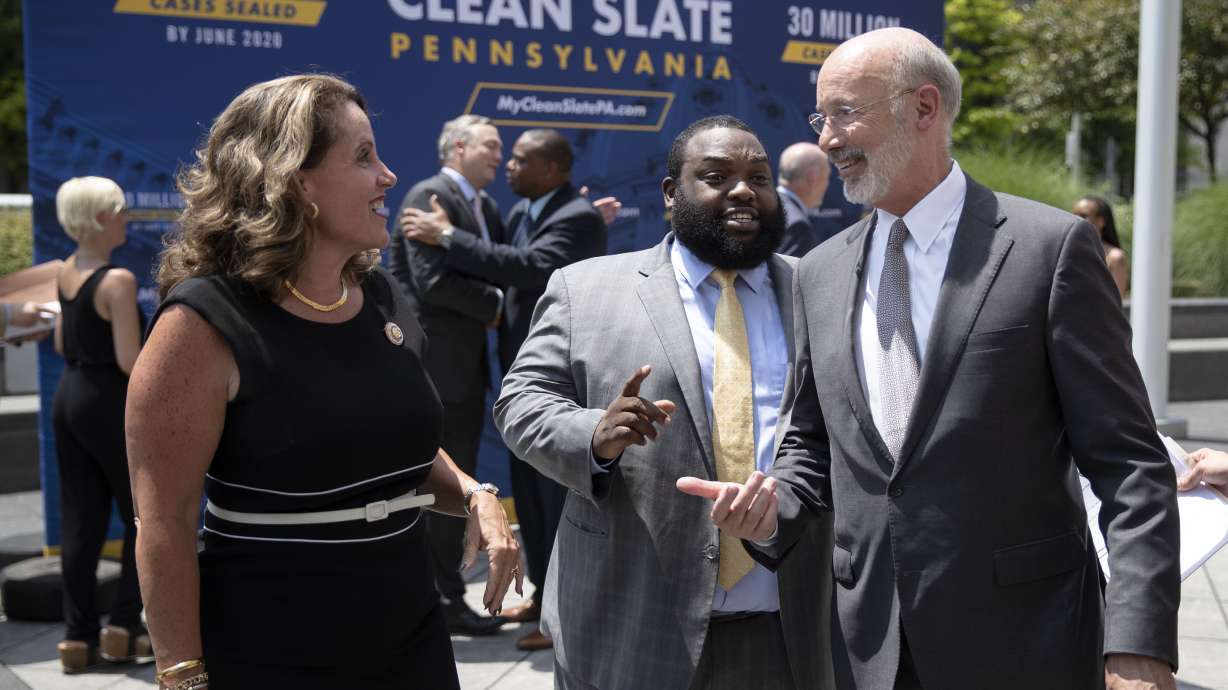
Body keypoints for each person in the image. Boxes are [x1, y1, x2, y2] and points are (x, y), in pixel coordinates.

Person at [680, 28, 1180, 690]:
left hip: (1027, 641)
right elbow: (811, 449)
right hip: (867, 645)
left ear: (923, 108)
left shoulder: (1047, 250)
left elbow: (1130, 465)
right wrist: (773, 510)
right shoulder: (820, 273)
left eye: (845, 114)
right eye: (820, 118)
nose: (828, 140)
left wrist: (1138, 645)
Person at [125, 74, 521, 690]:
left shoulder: (381, 296)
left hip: (410, 636)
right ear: (295, 180)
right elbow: (165, 522)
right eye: (363, 156)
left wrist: (477, 495)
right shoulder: (201, 323)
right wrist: (182, 676)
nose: (389, 176)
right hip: (271, 650)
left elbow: (395, 449)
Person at [495, 115, 835, 689]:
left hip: (791, 630)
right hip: (628, 624)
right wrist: (593, 435)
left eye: (758, 175)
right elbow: (520, 403)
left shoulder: (819, 291)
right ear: (672, 194)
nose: (744, 189)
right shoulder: (585, 288)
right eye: (716, 175)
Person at [402, 128, 608, 652]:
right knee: (531, 500)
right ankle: (541, 598)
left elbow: (532, 267)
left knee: (551, 498)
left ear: (554, 171)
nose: (508, 165)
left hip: (555, 380)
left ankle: (563, 612)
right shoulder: (516, 212)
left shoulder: (572, 216)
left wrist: (449, 236)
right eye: (501, 153)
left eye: (518, 158)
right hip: (511, 376)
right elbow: (486, 263)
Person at [386, 114, 511, 636]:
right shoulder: (428, 194)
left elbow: (501, 261)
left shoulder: (484, 207)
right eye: (490, 145)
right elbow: (432, 284)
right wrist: (500, 304)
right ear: (457, 147)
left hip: (464, 369)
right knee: (438, 485)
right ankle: (442, 598)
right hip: (434, 369)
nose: (499, 156)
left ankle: (443, 592)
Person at [49, 176, 148, 674]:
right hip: (108, 402)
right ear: (102, 217)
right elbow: (132, 362)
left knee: (80, 520)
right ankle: (125, 627)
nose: (126, 218)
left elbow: (63, 345)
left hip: (68, 397)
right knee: (139, 514)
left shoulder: (66, 272)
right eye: (120, 209)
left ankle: (77, 638)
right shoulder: (119, 282)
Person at [776, 142, 831, 257]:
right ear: (813, 177)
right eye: (827, 176)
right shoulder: (797, 226)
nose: (827, 184)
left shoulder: (764, 206)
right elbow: (787, 274)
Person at [1073, 195, 1129, 299]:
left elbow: (1117, 303)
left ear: (1101, 221)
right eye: (1074, 215)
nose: (1077, 220)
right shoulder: (1069, 251)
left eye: (1083, 216)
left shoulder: (1115, 257)